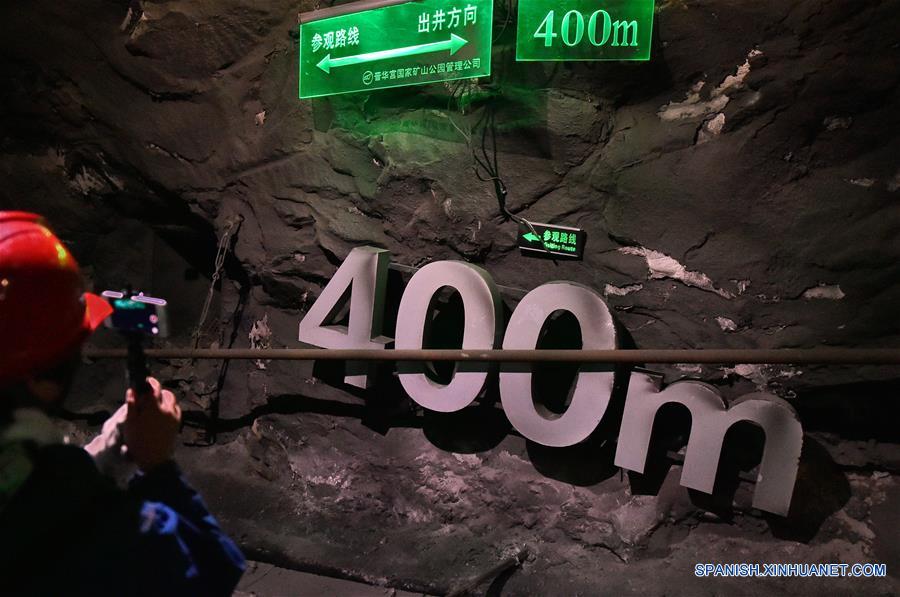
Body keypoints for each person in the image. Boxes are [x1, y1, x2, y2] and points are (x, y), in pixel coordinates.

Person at [0, 211, 245, 596]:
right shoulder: (80, 518)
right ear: (41, 377)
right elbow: (213, 570)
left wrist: (99, 458)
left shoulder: (35, 476)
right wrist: (157, 464)